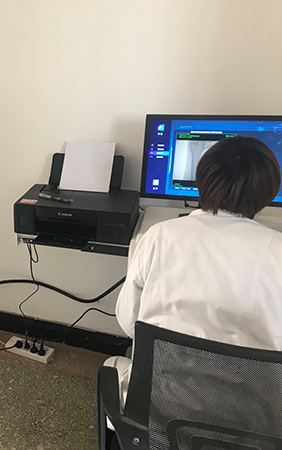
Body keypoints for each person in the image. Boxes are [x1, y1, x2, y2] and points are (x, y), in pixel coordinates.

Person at [105, 135, 282, 411]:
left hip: (159, 411)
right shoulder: (277, 252)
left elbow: (129, 323)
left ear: (202, 179)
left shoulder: (159, 236)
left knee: (113, 365)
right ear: (269, 189)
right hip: (253, 420)